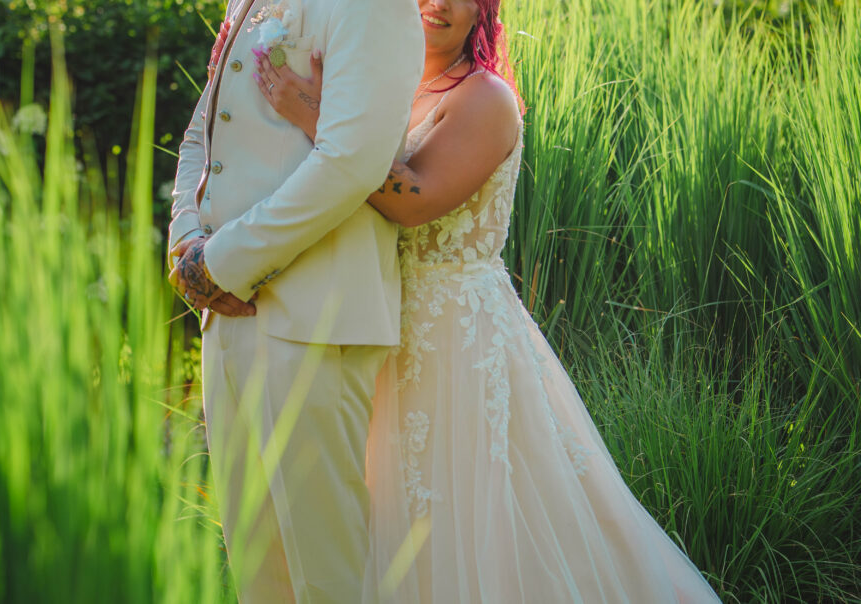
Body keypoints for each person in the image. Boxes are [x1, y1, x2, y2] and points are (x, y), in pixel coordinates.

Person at [248, 0, 724, 601]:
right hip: (377, 323)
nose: (438, 4)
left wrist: (313, 115)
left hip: (454, 338)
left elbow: (414, 198)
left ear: (483, 11)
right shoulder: (385, 84)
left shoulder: (485, 98)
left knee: (463, 513)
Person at [167, 0, 424, 601]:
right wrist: (186, 242)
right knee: (258, 571)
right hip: (225, 315)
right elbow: (203, 131)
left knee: (327, 576)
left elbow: (351, 160)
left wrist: (225, 263)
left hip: (315, 322)